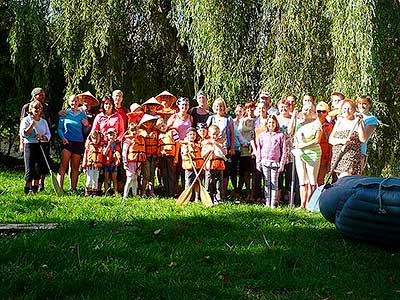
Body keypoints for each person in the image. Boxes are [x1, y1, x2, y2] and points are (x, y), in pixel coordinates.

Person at [20, 87, 51, 191]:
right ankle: (26, 189)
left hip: (40, 144)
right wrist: (31, 126)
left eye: (39, 108)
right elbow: (23, 133)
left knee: (38, 168)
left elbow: (48, 133)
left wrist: (44, 137)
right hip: (30, 144)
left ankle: (35, 189)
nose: (37, 110)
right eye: (35, 108)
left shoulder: (43, 121)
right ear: (31, 109)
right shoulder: (26, 120)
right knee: (30, 169)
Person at [57, 95, 89, 192]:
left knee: (75, 167)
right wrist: (62, 137)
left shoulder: (82, 114)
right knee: (63, 165)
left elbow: (85, 131)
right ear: (68, 102)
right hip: (67, 142)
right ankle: (59, 189)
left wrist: (86, 125)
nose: (73, 103)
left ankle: (73, 189)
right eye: (72, 101)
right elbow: (59, 128)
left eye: (75, 101)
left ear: (78, 102)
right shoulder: (65, 113)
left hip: (78, 142)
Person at [293, 103, 322, 208]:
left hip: (312, 154)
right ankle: (302, 204)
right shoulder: (299, 123)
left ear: (313, 112)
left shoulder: (316, 123)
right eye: (305, 109)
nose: (307, 112)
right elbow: (293, 135)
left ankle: (311, 204)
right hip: (300, 154)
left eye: (310, 110)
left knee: (312, 180)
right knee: (302, 180)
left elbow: (317, 140)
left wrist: (303, 145)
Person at [329, 99, 366, 178]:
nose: (347, 111)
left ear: (354, 110)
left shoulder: (357, 122)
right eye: (344, 108)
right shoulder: (339, 122)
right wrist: (342, 141)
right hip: (338, 155)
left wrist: (360, 123)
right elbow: (331, 140)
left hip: (351, 156)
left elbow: (363, 139)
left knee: (345, 178)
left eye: (349, 108)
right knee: (340, 180)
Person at [206, 97, 235, 197]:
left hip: (224, 147)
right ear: (214, 107)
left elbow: (232, 134)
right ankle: (211, 192)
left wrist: (232, 147)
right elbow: (206, 132)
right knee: (212, 170)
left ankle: (222, 192)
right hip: (213, 147)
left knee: (224, 171)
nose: (220, 108)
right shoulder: (211, 118)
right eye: (217, 106)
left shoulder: (228, 119)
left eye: (221, 106)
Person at [256, 115, 287, 208]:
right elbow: (259, 149)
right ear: (267, 124)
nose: (271, 124)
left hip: (275, 163)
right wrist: (258, 162)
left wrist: (282, 164)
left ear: (276, 123)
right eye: (269, 122)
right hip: (265, 162)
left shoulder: (280, 135)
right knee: (266, 182)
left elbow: (284, 150)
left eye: (273, 122)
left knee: (274, 183)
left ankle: (273, 203)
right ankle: (267, 202)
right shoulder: (263, 135)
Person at [276, 99, 296, 204]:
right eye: (281, 107)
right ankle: (278, 199)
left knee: (289, 175)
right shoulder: (276, 118)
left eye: (286, 107)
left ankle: (290, 200)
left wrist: (293, 117)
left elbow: (291, 131)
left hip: (290, 150)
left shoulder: (293, 118)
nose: (284, 109)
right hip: (278, 150)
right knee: (279, 175)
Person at [202, 125, 227, 205]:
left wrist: (217, 145)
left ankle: (218, 199)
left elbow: (225, 152)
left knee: (218, 183)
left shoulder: (221, 143)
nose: (214, 136)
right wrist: (209, 150)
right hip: (209, 165)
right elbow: (203, 155)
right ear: (209, 133)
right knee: (208, 183)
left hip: (219, 165)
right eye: (213, 134)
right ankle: (208, 199)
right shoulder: (206, 143)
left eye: (216, 134)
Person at [157, 118, 180, 197]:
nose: (162, 128)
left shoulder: (173, 132)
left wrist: (176, 157)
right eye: (160, 127)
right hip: (162, 157)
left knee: (172, 174)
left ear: (166, 124)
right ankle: (166, 192)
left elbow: (177, 144)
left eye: (163, 126)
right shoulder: (159, 135)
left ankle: (173, 192)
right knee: (164, 174)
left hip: (171, 156)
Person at [237, 101, 256, 201]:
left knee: (254, 172)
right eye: (248, 108)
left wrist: (253, 145)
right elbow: (239, 133)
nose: (250, 110)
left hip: (255, 149)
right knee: (246, 172)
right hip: (244, 148)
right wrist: (246, 143)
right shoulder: (242, 121)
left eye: (252, 108)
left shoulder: (257, 120)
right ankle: (248, 192)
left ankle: (253, 194)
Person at [122, 121, 146, 198]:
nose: (134, 132)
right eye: (132, 130)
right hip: (130, 162)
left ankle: (135, 194)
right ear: (129, 131)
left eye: (135, 130)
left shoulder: (139, 140)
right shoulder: (127, 141)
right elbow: (124, 152)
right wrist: (125, 162)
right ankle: (125, 195)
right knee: (129, 178)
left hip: (138, 161)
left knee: (135, 178)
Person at [138, 114, 160, 197]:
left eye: (150, 122)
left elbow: (158, 143)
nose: (147, 123)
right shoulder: (140, 132)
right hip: (145, 156)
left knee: (151, 174)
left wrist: (157, 155)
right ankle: (143, 191)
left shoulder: (155, 132)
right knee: (145, 174)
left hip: (153, 155)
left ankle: (151, 191)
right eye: (146, 122)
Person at [356, 95, 378, 173]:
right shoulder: (353, 115)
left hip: (360, 151)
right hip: (347, 149)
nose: (361, 106)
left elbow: (364, 138)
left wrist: (360, 121)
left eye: (364, 103)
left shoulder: (372, 119)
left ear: (369, 104)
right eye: (359, 103)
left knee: (356, 177)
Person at [181, 127, 203, 202]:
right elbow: (183, 152)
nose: (192, 136)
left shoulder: (199, 144)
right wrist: (185, 152)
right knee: (189, 183)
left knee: (197, 183)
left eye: (194, 134)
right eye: (190, 134)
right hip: (190, 167)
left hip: (198, 167)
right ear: (187, 135)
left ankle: (197, 198)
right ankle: (188, 198)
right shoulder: (185, 145)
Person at [316, 101, 333, 186]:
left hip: (323, 155)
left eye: (323, 111)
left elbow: (330, 144)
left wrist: (330, 160)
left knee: (320, 180)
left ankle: (319, 198)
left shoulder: (330, 126)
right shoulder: (312, 124)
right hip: (313, 154)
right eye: (318, 111)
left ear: (327, 113)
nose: (320, 113)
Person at [82, 130, 103, 196]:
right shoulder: (88, 147)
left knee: (95, 179)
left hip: (97, 167)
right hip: (90, 166)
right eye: (94, 138)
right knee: (89, 179)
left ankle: (94, 191)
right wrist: (84, 166)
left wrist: (101, 168)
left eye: (97, 138)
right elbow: (85, 157)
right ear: (91, 138)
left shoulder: (100, 148)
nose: (96, 140)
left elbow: (102, 158)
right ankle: (88, 191)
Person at [103, 128, 122, 195]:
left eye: (113, 135)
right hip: (107, 164)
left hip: (114, 164)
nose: (111, 136)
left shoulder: (118, 144)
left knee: (114, 179)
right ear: (107, 135)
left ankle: (115, 192)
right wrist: (108, 145)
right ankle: (106, 191)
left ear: (116, 136)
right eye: (110, 134)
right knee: (106, 179)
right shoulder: (105, 144)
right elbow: (104, 153)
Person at [230, 105, 244, 199]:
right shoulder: (232, 122)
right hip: (234, 148)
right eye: (237, 111)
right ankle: (235, 188)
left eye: (241, 111)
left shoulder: (246, 122)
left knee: (243, 171)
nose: (239, 113)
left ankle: (240, 188)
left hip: (244, 149)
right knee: (233, 170)